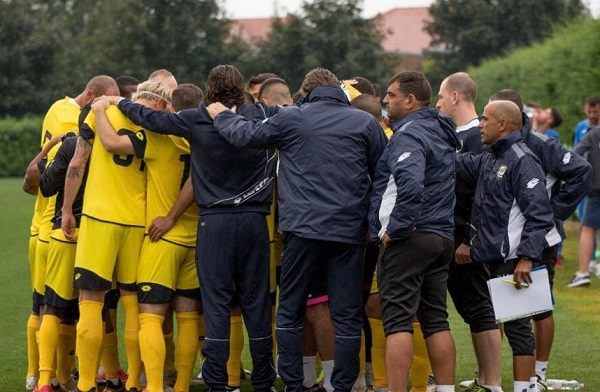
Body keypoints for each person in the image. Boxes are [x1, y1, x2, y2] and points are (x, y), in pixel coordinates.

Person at [207, 67, 387, 392]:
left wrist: (221, 116)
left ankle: (293, 383)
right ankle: (341, 385)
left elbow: (246, 136)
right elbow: (384, 178)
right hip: (349, 232)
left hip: (302, 231)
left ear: (305, 92)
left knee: (289, 311)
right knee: (346, 314)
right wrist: (371, 223)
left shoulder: (293, 118)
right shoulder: (365, 124)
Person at [102, 64, 279, 392]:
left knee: (215, 302)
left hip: (215, 223)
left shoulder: (198, 118)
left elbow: (151, 119)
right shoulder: (260, 116)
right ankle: (265, 381)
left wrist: (119, 102)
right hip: (255, 222)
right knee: (257, 303)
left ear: (209, 87)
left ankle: (217, 382)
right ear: (241, 87)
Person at [92, 81, 203, 392]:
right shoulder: (203, 138)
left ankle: (154, 386)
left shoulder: (160, 138)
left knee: (151, 317)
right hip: (195, 238)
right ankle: (181, 386)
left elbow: (112, 143)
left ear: (170, 109)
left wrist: (102, 109)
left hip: (161, 237)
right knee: (188, 317)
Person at [61, 78, 169, 392]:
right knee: (134, 305)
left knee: (90, 302)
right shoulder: (154, 124)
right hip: (137, 223)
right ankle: (135, 382)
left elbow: (77, 163)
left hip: (98, 219)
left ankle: (84, 385)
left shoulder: (98, 113)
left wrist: (67, 208)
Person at [21, 75, 119, 392]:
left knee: (53, 307)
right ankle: (102, 376)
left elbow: (44, 186)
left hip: (63, 233)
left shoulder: (72, 145)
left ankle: (48, 379)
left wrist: (51, 146)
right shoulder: (111, 146)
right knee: (95, 309)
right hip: (97, 232)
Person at [489, 90, 591, 389]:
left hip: (539, 240)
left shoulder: (541, 144)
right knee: (498, 305)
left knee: (539, 308)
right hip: (503, 240)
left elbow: (582, 171)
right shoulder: (496, 145)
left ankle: (539, 375)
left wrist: (555, 211)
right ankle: (493, 377)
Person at [456, 100, 557, 392]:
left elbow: (539, 215)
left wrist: (526, 258)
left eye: (485, 119)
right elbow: (463, 172)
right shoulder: (491, 156)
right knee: (505, 324)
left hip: (514, 262)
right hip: (490, 259)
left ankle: (524, 388)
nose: (479, 124)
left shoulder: (523, 160)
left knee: (517, 331)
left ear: (502, 124)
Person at [368, 71, 459, 392]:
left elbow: (410, 183)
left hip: (410, 236)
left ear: (410, 100)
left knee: (397, 322)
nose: (385, 100)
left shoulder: (409, 134)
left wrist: (396, 227)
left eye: (391, 95)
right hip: (441, 236)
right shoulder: (441, 131)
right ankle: (446, 389)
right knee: (436, 320)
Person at [436, 72, 503, 392]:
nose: (437, 102)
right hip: (446, 234)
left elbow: (486, 196)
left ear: (455, 97)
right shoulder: (452, 134)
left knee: (480, 308)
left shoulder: (481, 136)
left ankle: (493, 382)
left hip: (467, 239)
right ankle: (482, 377)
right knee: (467, 309)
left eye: (440, 96)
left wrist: (469, 240)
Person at [572, 123, 600, 288]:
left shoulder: (594, 133)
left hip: (596, 189)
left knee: (588, 230)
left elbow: (576, 154)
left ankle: (583, 273)